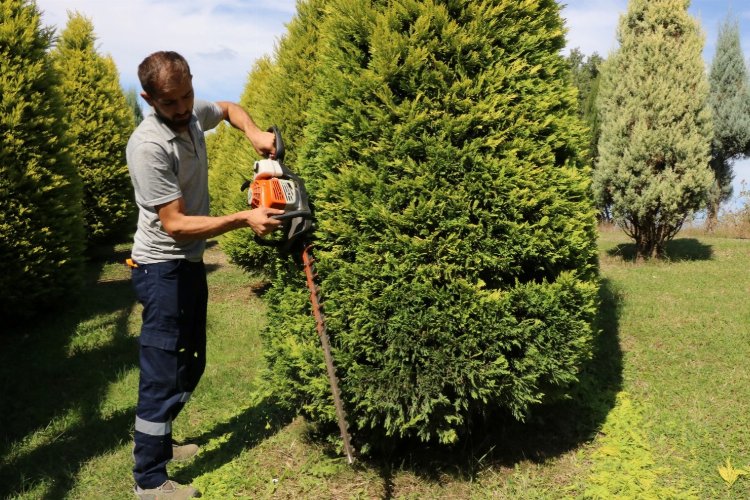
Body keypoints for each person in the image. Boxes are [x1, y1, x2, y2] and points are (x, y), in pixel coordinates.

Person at [126, 50, 283, 499]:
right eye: (170, 103)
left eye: (186, 97)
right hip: (161, 267)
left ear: (191, 83)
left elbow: (230, 109)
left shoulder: (192, 113)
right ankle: (149, 480)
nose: (181, 110)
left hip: (188, 264)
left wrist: (253, 132)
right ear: (149, 98)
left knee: (191, 360)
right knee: (163, 368)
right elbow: (174, 225)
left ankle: (162, 440)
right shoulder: (149, 146)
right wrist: (243, 218)